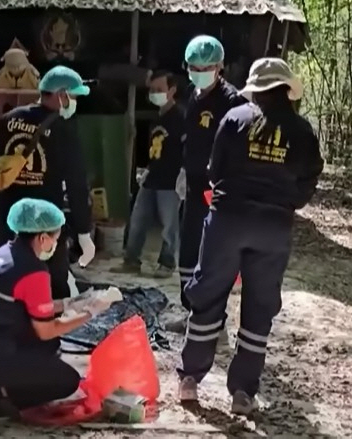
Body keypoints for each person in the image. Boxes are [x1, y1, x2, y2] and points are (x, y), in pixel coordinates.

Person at [177, 58, 324, 415]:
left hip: (228, 220)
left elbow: (215, 170)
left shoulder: (235, 119)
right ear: (286, 90)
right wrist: (284, 202)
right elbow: (308, 183)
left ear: (257, 90)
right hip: (274, 227)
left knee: (208, 295)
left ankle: (190, 380)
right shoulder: (303, 131)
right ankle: (243, 392)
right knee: (259, 307)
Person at [0, 198, 112, 420]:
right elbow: (47, 329)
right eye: (56, 239)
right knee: (65, 381)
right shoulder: (34, 270)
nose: (57, 245)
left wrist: (71, 303)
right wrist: (90, 312)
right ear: (43, 238)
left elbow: (32, 307)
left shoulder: (6, 253)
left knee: (48, 346)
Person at [0, 65, 96, 300]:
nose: (74, 102)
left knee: (2, 276)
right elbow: (76, 183)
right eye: (73, 96)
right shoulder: (64, 129)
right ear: (61, 95)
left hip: (7, 218)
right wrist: (84, 232)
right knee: (52, 283)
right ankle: (50, 327)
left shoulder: (7, 120)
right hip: (45, 223)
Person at [178, 35, 246, 310]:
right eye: (194, 68)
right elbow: (191, 137)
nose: (199, 74)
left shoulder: (232, 101)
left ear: (220, 67)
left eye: (206, 69)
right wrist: (183, 170)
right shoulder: (192, 96)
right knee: (188, 250)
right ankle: (189, 309)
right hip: (194, 187)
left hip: (218, 191)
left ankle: (211, 318)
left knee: (212, 256)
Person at [111, 70, 184, 278]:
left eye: (159, 90)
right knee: (138, 221)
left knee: (170, 227)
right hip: (152, 178)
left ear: (172, 90)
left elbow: (188, 148)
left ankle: (167, 263)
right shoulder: (156, 118)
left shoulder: (180, 117)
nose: (154, 93)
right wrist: (146, 170)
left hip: (171, 182)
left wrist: (184, 173)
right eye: (152, 90)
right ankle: (131, 260)